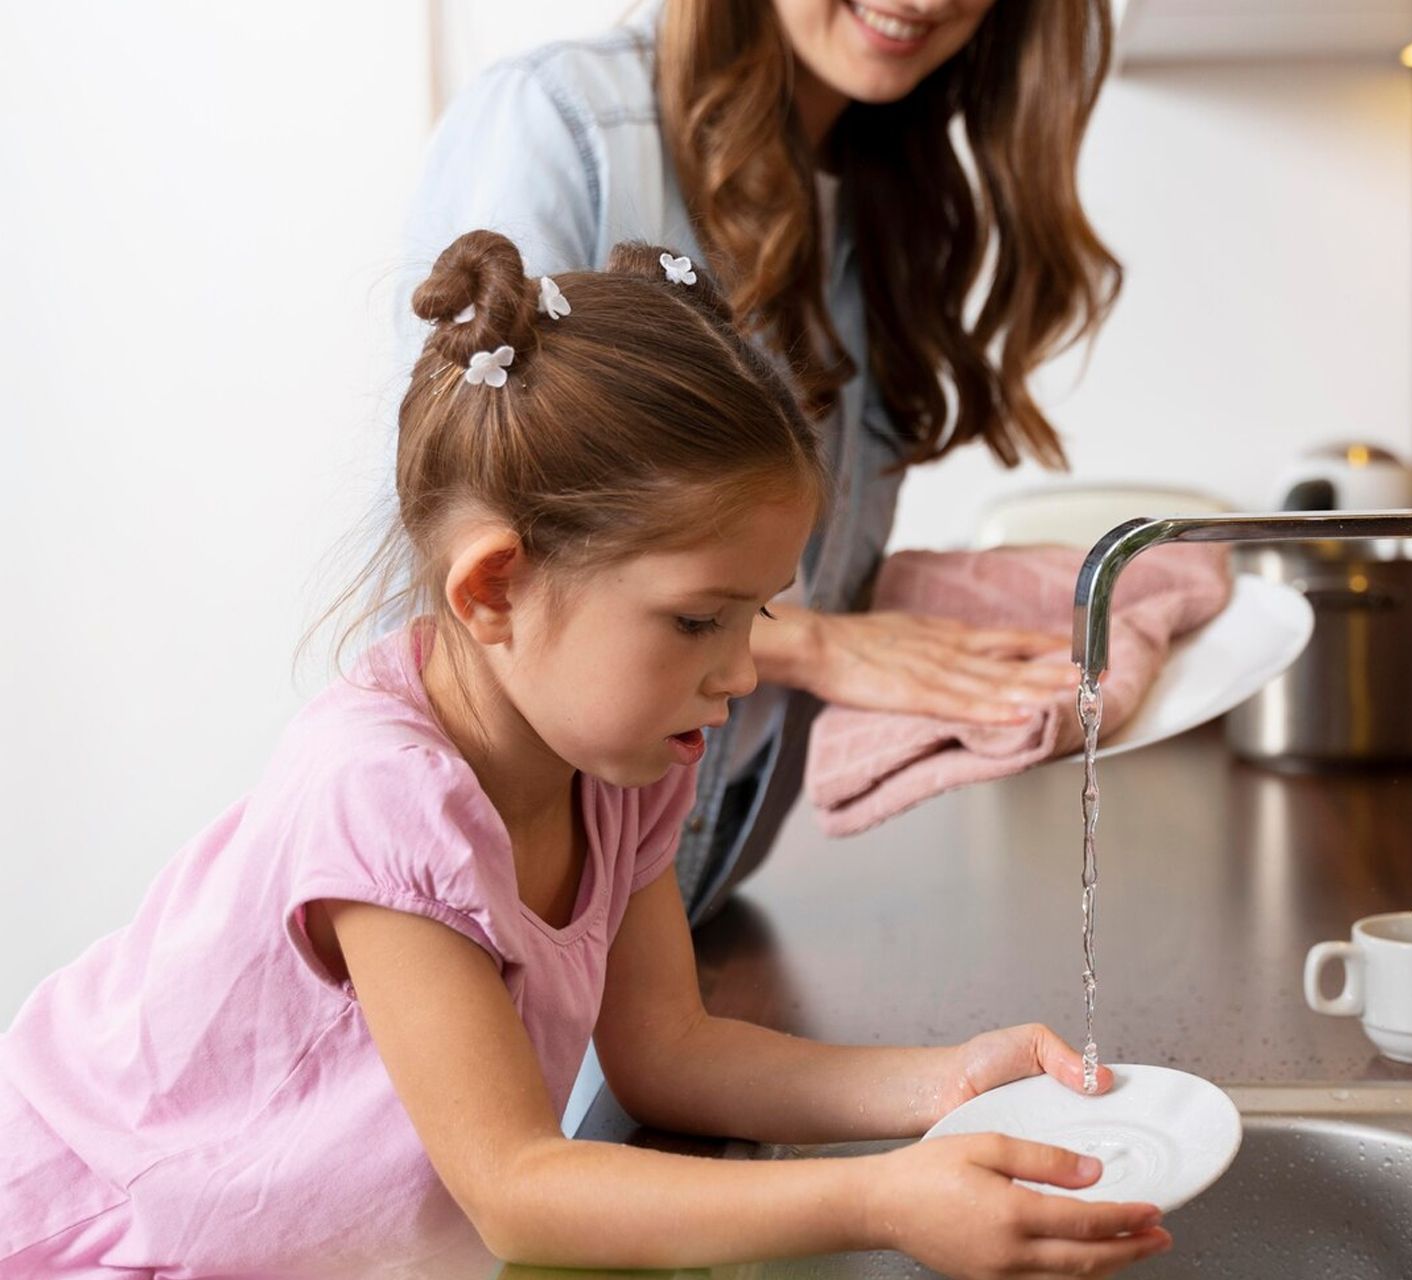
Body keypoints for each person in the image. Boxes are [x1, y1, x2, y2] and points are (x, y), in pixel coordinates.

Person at [0, 232, 1171, 1279]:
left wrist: (946, 1083)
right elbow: (517, 1188)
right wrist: (878, 1197)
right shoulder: (384, 796)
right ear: (496, 587)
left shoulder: (623, 761)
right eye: (697, 617)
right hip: (107, 1238)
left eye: (757, 612)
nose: (743, 669)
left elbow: (667, 1048)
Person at [404, 0, 1124, 926]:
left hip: (684, 899)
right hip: (506, 905)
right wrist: (817, 645)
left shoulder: (883, 185)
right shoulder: (563, 126)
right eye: (709, 622)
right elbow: (460, 543)